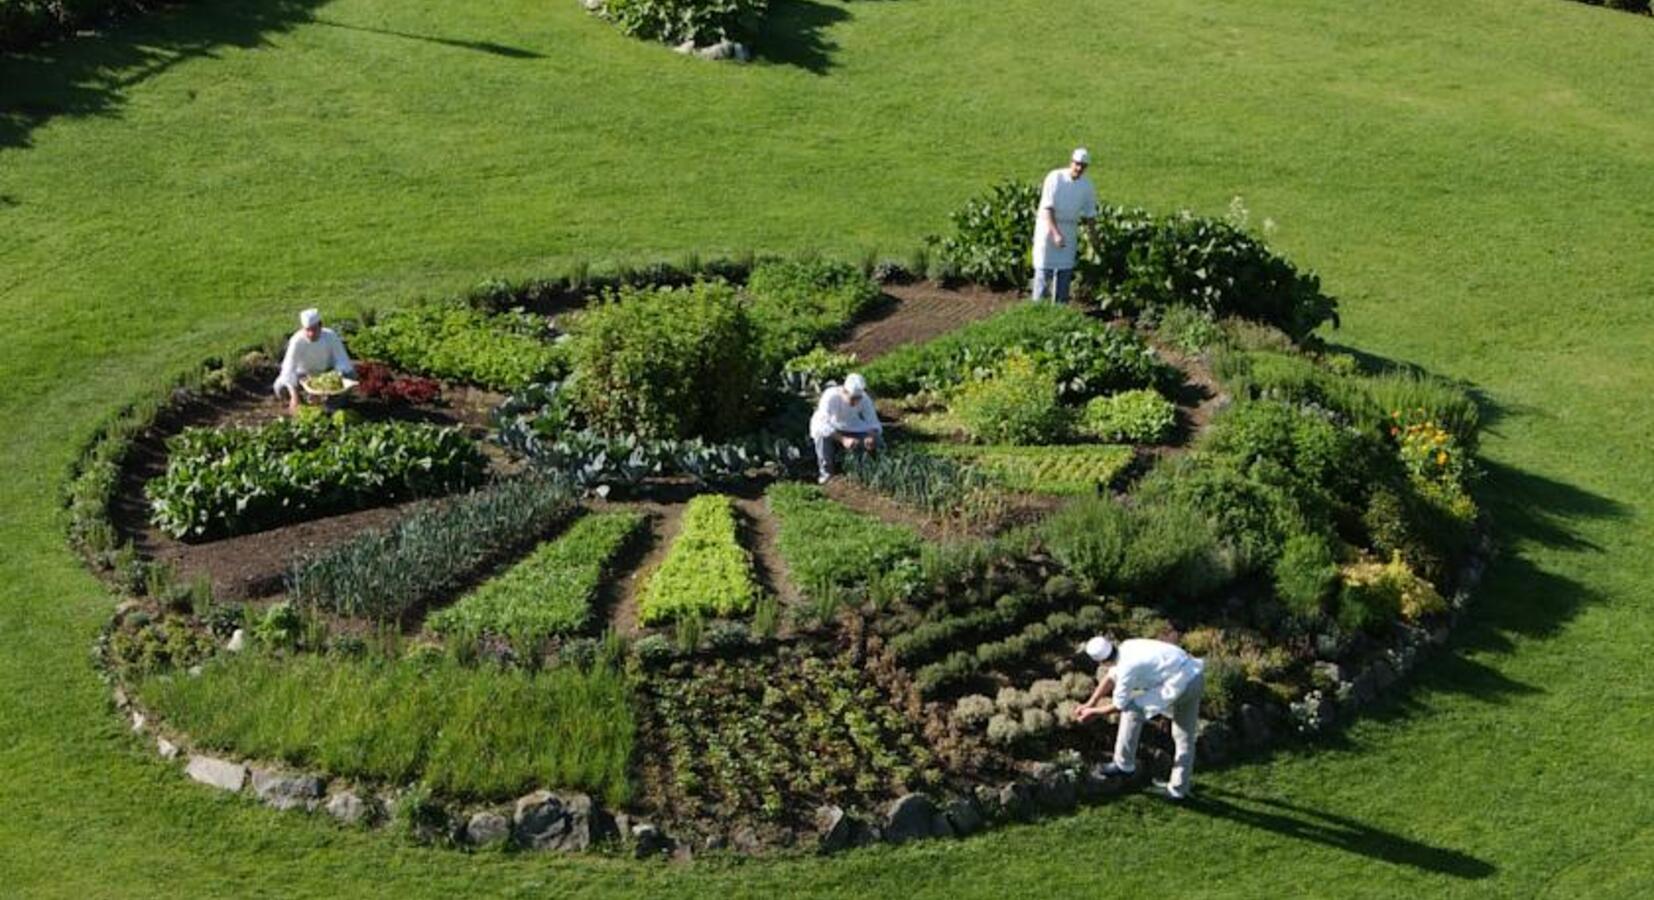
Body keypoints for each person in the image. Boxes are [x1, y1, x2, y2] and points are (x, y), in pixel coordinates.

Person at [1074, 635, 1206, 800]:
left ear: (1101, 661)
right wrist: (1090, 703)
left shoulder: (1127, 667)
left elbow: (1119, 705)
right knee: (1184, 738)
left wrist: (1094, 713)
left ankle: (1124, 764)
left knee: (1133, 707)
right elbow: (1110, 677)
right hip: (1195, 676)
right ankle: (1179, 790)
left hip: (1179, 684)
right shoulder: (1127, 646)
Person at [1031, 147, 1100, 303]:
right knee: (1044, 269)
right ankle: (1037, 307)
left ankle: (1060, 307)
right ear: (1071, 162)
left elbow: (1090, 214)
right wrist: (1055, 233)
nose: (1079, 168)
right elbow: (1047, 208)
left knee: (1065, 269)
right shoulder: (1055, 178)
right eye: (1077, 164)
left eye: (1083, 165)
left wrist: (1093, 237)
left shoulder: (1087, 186)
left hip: (1069, 229)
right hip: (1048, 227)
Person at [272, 308, 355, 415]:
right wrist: (294, 396)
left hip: (328, 374)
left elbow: (342, 362)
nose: (311, 334)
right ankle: (300, 403)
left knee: (350, 376)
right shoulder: (297, 340)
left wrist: (323, 390)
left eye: (314, 329)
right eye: (307, 330)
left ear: (321, 326)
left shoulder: (330, 336)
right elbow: (288, 369)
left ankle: (330, 406)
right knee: (280, 387)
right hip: (303, 376)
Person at [809, 373, 883, 484]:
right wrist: (843, 439)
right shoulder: (830, 396)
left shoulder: (864, 399)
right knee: (821, 436)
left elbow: (873, 421)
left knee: (878, 440)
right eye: (852, 398)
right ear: (844, 391)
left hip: (853, 427)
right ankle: (827, 473)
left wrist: (871, 436)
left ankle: (870, 469)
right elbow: (822, 424)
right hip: (832, 427)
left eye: (858, 399)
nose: (855, 402)